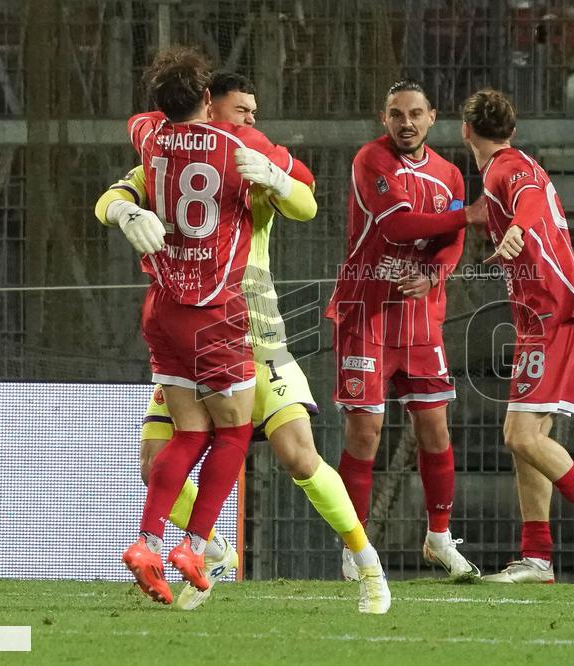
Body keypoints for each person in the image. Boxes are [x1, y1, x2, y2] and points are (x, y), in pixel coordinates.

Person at [96, 72, 390, 614]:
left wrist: (277, 179)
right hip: (195, 325)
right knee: (152, 460)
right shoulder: (175, 148)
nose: (250, 118)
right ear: (210, 107)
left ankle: (366, 563)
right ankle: (211, 548)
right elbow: (120, 187)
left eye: (255, 111)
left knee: (299, 456)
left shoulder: (247, 155)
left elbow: (306, 199)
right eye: (241, 109)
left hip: (256, 329)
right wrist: (124, 208)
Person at [110, 46, 297, 606]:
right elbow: (299, 180)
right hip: (215, 311)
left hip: (161, 308)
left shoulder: (148, 134)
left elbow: (140, 120)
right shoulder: (240, 144)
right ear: (209, 100)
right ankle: (194, 544)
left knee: (189, 432)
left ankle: (146, 541)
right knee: (234, 431)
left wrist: (126, 205)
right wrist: (278, 175)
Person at [457, 88, 574, 580]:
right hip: (544, 315)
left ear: (464, 129)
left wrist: (516, 229)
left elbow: (529, 204)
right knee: (528, 438)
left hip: (552, 314)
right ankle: (536, 557)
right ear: (511, 130)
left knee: (520, 435)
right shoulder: (512, 169)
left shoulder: (502, 169)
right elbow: (481, 211)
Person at [326, 80, 487, 581]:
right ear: (384, 117)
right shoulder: (370, 161)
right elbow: (396, 227)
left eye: (415, 113)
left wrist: (436, 273)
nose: (407, 123)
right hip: (366, 311)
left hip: (420, 320)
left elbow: (452, 242)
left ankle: (439, 538)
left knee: (434, 428)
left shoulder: (449, 175)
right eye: (397, 114)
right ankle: (356, 548)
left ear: (433, 116)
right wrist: (470, 214)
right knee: (365, 433)